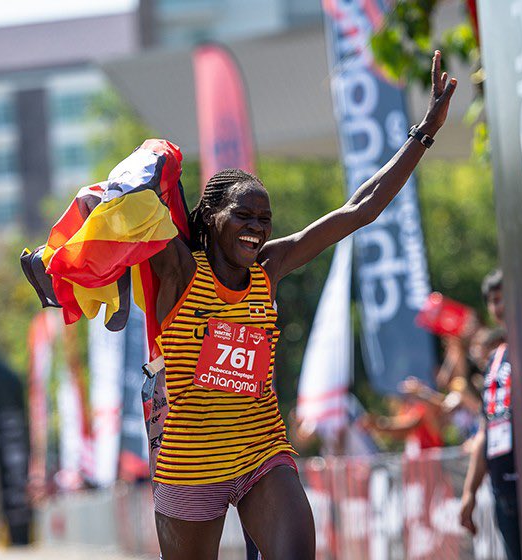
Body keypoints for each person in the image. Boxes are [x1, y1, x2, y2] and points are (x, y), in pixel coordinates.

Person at [145, 51, 456, 559]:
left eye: (264, 219)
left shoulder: (269, 267)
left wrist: (424, 131)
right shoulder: (180, 271)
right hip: (190, 464)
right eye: (243, 215)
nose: (257, 228)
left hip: (261, 452)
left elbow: (361, 207)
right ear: (212, 218)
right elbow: (131, 209)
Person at [459, 269, 522, 560]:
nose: (499, 307)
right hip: (503, 490)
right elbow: (487, 428)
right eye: (493, 301)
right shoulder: (495, 359)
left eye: (504, 297)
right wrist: (470, 492)